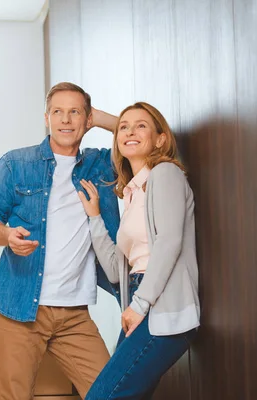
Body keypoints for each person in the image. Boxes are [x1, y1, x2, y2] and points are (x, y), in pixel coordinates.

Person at [0, 82, 120, 399]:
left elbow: (149, 138)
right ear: (46, 118)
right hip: (18, 308)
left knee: (112, 393)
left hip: (74, 314)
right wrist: (6, 236)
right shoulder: (16, 165)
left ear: (87, 120)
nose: (65, 120)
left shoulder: (100, 165)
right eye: (58, 112)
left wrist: (102, 118)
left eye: (75, 112)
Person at [78, 102, 200, 400]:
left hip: (160, 305)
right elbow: (114, 270)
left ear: (160, 139)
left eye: (141, 125)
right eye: (123, 127)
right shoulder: (132, 193)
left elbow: (169, 242)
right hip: (140, 299)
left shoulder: (165, 173)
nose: (130, 131)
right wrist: (94, 218)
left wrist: (140, 304)